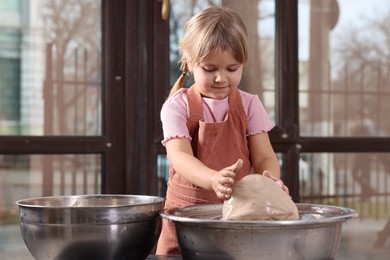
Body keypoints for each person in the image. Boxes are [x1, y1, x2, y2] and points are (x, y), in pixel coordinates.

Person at [156, 6, 288, 255]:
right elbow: (180, 156)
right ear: (190, 62)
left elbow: (264, 157)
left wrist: (270, 179)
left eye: (232, 69)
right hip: (185, 222)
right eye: (210, 69)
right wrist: (212, 179)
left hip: (237, 221)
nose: (221, 78)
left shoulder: (249, 105)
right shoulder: (177, 106)